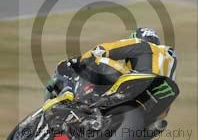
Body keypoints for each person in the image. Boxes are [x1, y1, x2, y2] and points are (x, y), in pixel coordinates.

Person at [45, 27, 177, 103]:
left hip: (137, 83)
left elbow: (105, 49)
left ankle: (70, 93)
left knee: (98, 60)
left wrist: (81, 60)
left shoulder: (141, 44)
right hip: (160, 98)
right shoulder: (170, 57)